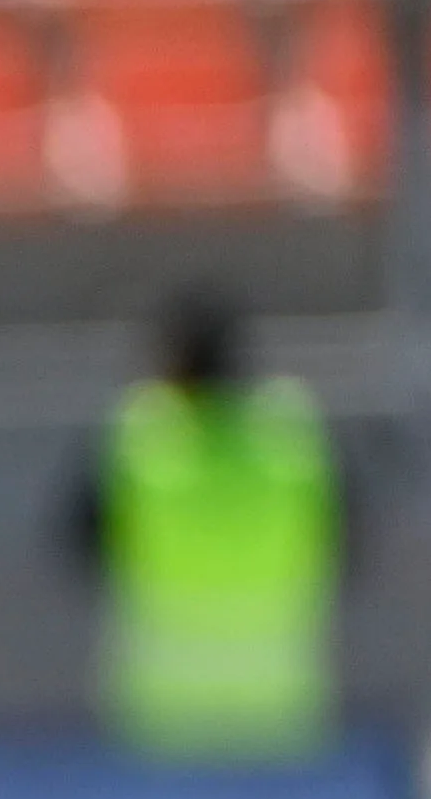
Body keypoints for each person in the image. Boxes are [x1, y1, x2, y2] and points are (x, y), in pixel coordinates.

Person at [63, 283, 346, 756]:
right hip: (279, 705)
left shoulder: (142, 436)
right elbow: (347, 540)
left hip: (163, 710)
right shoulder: (292, 437)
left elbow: (78, 542)